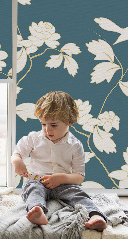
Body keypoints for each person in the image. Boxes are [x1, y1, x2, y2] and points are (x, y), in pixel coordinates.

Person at [11, 91, 107, 231]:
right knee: (33, 190)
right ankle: (38, 211)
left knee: (78, 195)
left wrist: (61, 178)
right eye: (43, 124)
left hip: (63, 184)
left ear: (69, 122)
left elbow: (79, 176)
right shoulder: (34, 139)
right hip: (38, 181)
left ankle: (96, 216)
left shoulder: (75, 145)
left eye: (53, 125)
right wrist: (17, 161)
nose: (47, 129)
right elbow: (16, 153)